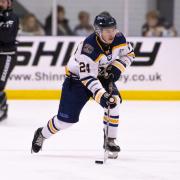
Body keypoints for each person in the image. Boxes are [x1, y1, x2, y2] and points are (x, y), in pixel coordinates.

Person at [31, 12, 135, 158]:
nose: (112, 33)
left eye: (113, 29)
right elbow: (87, 78)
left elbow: (129, 54)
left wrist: (117, 67)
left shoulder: (119, 38)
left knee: (114, 102)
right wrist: (101, 95)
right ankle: (42, 133)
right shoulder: (89, 47)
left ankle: (110, 140)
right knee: (65, 121)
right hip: (77, 80)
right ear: (98, 32)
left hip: (101, 75)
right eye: (107, 31)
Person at [0, 0, 19, 121]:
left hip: (7, 55)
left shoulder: (13, 17)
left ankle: (2, 109)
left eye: (3, 1)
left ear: (9, 4)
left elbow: (7, 37)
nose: (0, 3)